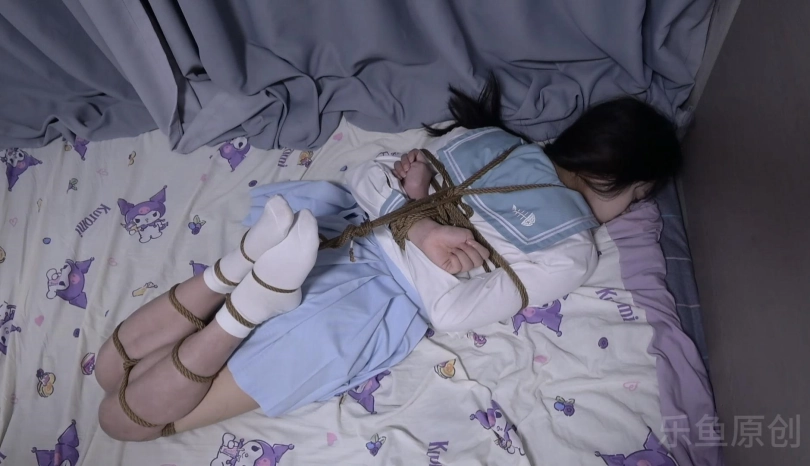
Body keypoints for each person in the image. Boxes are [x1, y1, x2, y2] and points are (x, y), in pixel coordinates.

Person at [95, 76, 681, 441]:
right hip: (365, 308)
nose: (630, 210)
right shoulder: (572, 251)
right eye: (637, 197)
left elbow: (368, 178)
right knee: (122, 422)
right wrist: (426, 236)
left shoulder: (493, 141)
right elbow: (449, 312)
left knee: (108, 371)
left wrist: (416, 212)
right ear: (624, 179)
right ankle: (242, 312)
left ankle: (240, 268)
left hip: (332, 235)